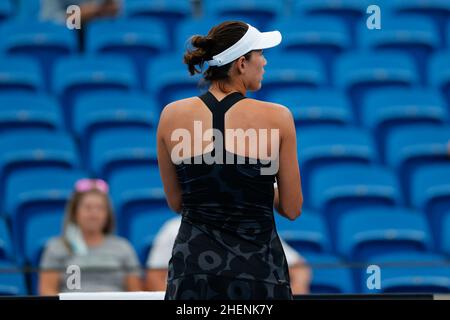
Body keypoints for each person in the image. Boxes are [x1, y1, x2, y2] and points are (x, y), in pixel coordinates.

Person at [157, 21, 303, 299]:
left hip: (193, 270)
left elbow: (177, 202)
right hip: (259, 269)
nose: (265, 61)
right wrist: (254, 186)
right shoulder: (278, 116)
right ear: (241, 63)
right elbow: (293, 207)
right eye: (260, 53)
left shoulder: (170, 115)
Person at [145, 217, 311, 295]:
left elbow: (299, 266)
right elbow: (154, 275)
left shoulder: (253, 226)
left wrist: (294, 292)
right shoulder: (174, 228)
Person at [39, 178, 142, 295]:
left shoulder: (123, 247)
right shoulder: (56, 247)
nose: (94, 214)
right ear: (74, 212)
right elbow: (47, 290)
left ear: (107, 214)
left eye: (100, 208)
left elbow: (135, 292)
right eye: (87, 208)